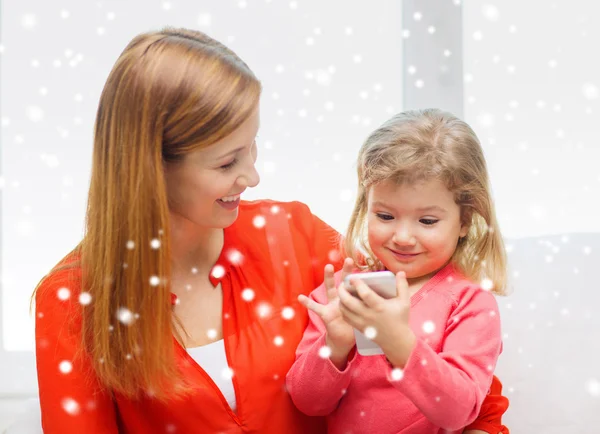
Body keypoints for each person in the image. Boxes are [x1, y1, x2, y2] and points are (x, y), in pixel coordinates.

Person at [33, 28, 508, 433]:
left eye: (252, 147)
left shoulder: (292, 234)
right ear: (150, 168)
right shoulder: (72, 301)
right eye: (226, 162)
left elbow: (467, 395)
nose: (252, 177)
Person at [287, 108, 508, 433]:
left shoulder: (470, 303)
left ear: (464, 221)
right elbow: (308, 404)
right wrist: (334, 345)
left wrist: (400, 344)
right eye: (386, 216)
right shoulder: (343, 295)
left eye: (427, 221)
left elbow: (458, 412)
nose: (403, 237)